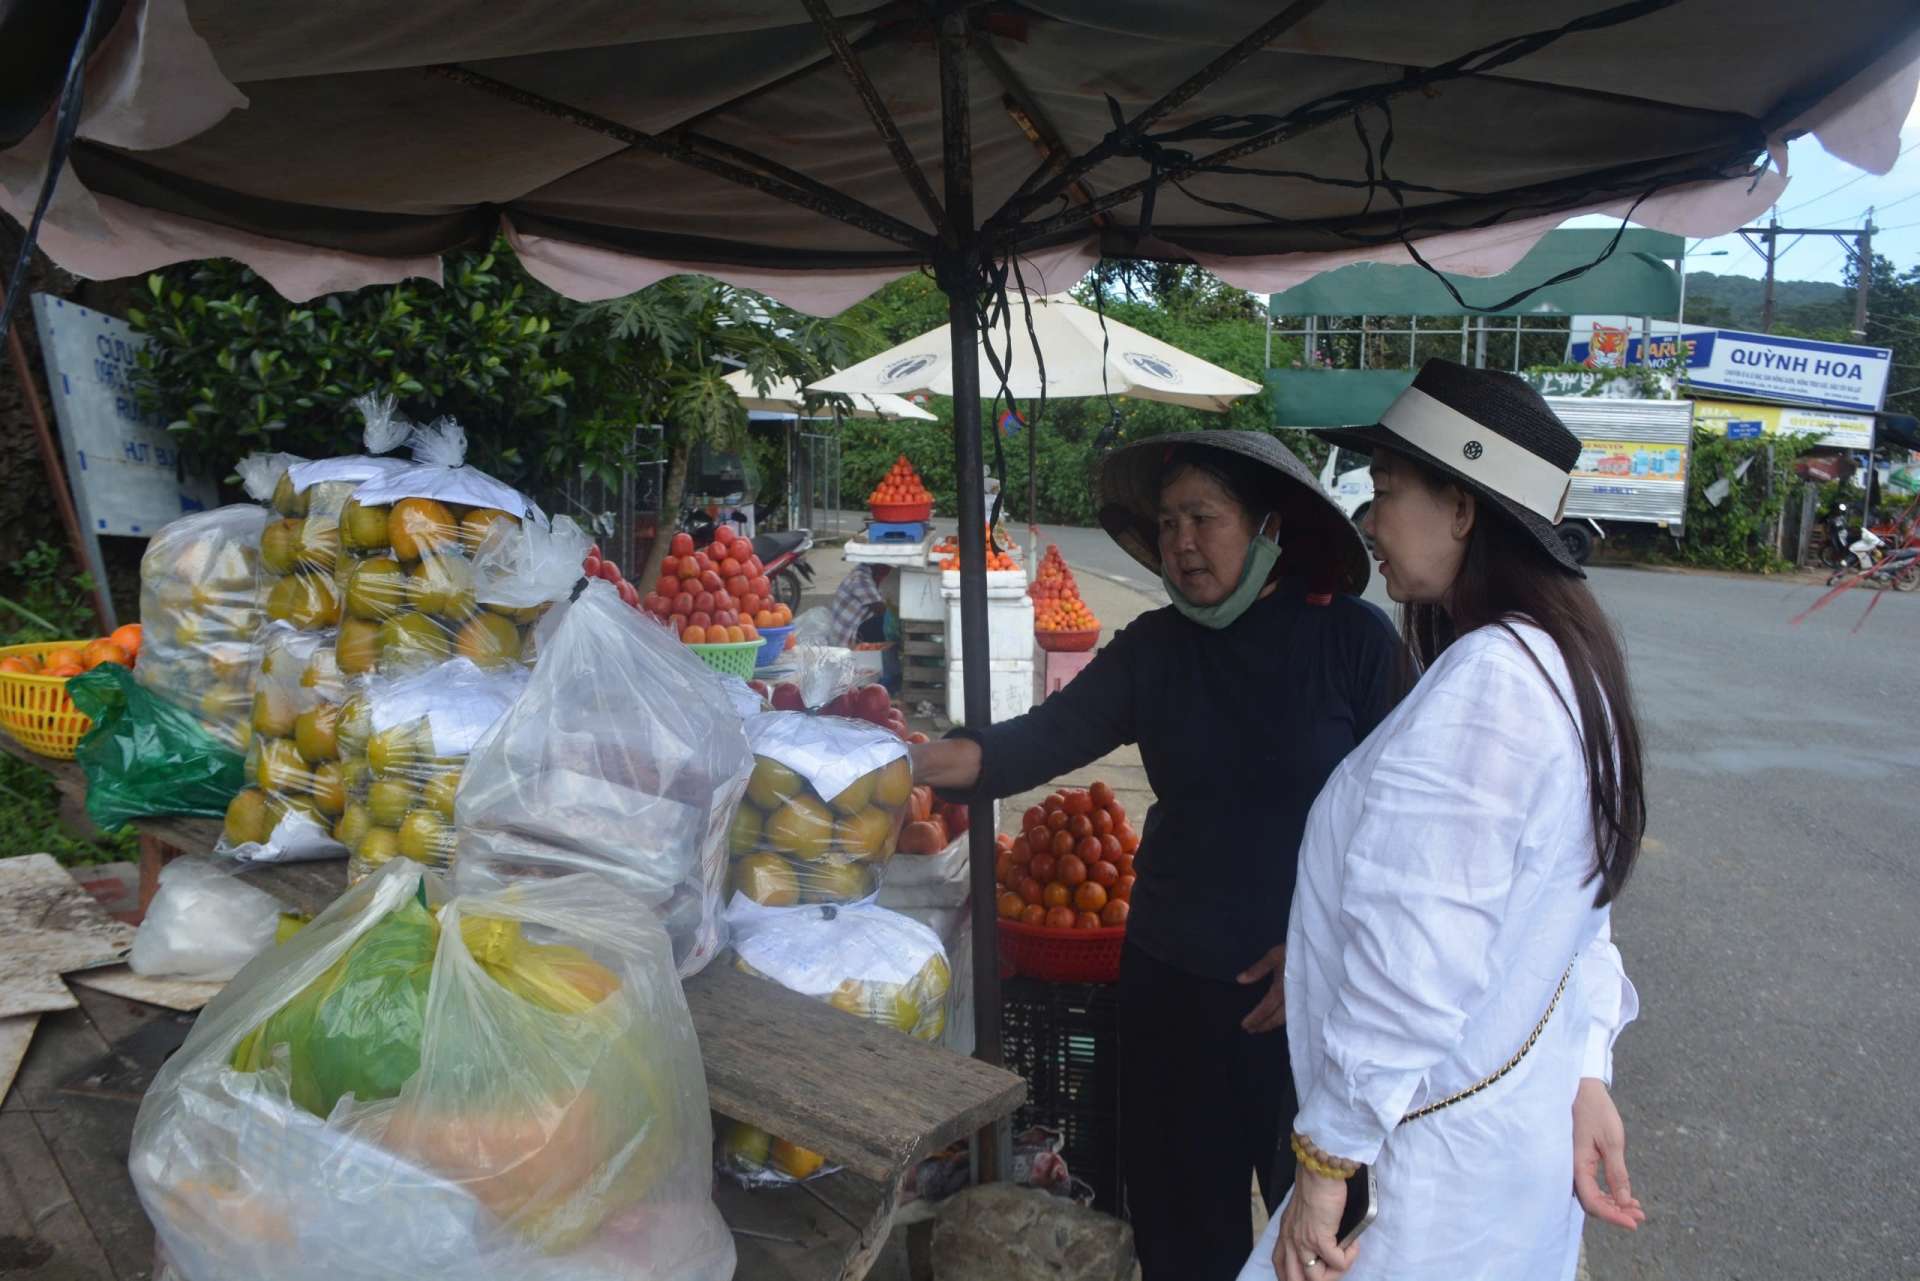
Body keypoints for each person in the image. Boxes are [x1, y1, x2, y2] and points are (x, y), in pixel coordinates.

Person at [911, 432, 1396, 1280]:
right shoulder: (1156, 649)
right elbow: (1030, 744)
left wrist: (1332, 951)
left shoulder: (1354, 643)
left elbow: (1410, 832)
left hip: (1310, 1009)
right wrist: (897, 762)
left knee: (1323, 1245)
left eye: (1204, 518)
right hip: (1170, 985)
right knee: (1181, 1237)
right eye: (1169, 521)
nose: (1180, 541)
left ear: (1269, 527)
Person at [1249, 360, 1647, 1281]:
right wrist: (1588, 1069)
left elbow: (1411, 963)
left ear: (1463, 508)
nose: (1368, 520)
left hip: (1425, 1183)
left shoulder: (1490, 687)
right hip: (1508, 1153)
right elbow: (1577, 911)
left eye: (1386, 492)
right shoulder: (1562, 663)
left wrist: (1326, 1160)